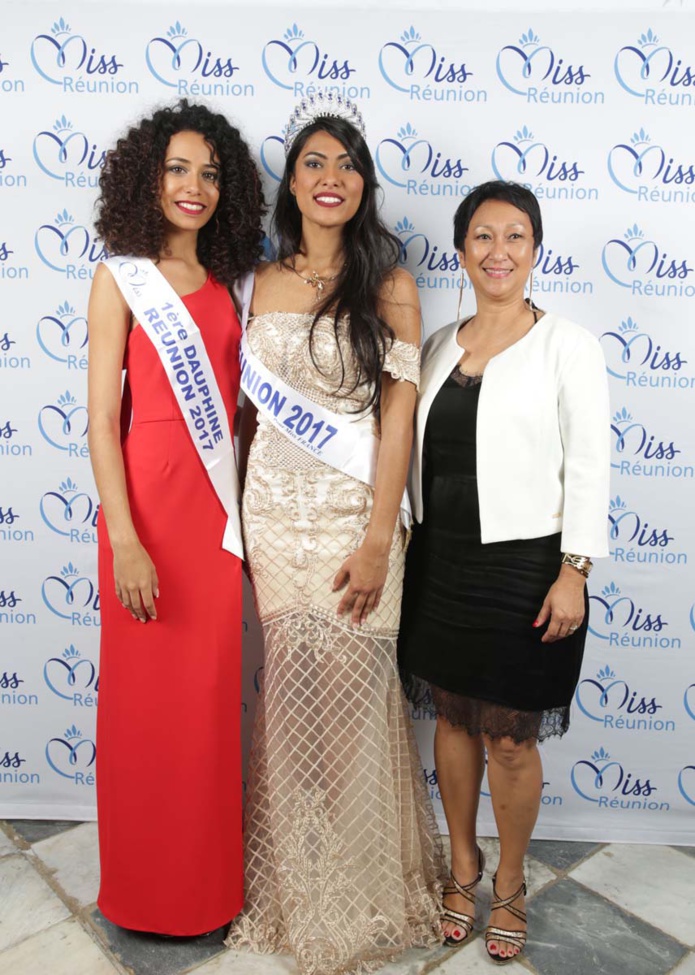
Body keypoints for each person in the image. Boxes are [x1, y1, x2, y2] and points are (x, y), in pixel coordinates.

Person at [225, 93, 445, 975]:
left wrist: (377, 539)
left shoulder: (390, 282)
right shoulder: (260, 282)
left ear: (364, 185)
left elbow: (399, 420)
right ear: (290, 181)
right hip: (276, 518)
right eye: (313, 161)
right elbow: (246, 419)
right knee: (290, 703)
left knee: (355, 704)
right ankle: (297, 883)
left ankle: (365, 881)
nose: (331, 177)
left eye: (346, 163)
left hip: (360, 519)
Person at [398, 180, 610, 963]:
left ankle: (511, 883)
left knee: (511, 741)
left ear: (534, 250)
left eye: (514, 236)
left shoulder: (569, 346)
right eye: (482, 236)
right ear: (460, 250)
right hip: (440, 558)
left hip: (527, 564)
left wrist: (574, 570)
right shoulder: (436, 344)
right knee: (451, 721)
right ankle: (462, 864)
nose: (498, 251)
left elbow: (589, 464)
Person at [87, 100, 264, 935]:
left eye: (210, 172)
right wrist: (125, 540)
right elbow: (98, 422)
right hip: (145, 515)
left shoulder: (229, 285)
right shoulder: (121, 274)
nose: (194, 187)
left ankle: (203, 892)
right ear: (147, 178)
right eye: (178, 169)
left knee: (201, 713)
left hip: (213, 519)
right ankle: (139, 891)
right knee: (143, 710)